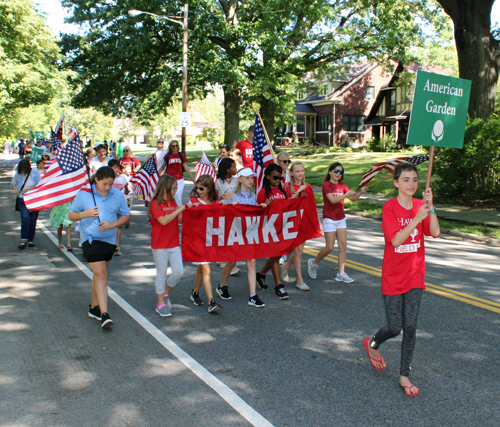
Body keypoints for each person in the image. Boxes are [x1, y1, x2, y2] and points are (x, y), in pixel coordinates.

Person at [363, 163, 440, 397]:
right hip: (394, 277)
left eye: (415, 179)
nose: (412, 184)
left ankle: (404, 376)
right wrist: (416, 219)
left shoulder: (421, 206)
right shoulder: (389, 208)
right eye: (406, 180)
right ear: (396, 183)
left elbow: (435, 233)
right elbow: (395, 241)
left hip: (415, 275)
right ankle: (373, 343)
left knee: (411, 328)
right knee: (395, 327)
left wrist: (431, 207)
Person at [69, 166, 130, 329]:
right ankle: (104, 314)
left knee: (99, 275)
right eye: (105, 184)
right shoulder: (84, 193)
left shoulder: (117, 194)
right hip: (90, 239)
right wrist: (84, 214)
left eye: (110, 184)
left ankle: (94, 308)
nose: (108, 188)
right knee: (101, 274)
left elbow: (125, 214)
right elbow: (71, 214)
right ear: (96, 179)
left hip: (109, 241)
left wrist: (113, 224)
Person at [307, 162, 367, 283]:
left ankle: (341, 273)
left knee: (343, 245)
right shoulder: (326, 185)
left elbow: (352, 198)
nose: (338, 174)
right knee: (329, 247)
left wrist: (360, 192)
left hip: (341, 219)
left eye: (341, 172)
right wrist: (345, 195)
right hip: (329, 219)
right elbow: (333, 200)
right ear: (329, 171)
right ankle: (313, 263)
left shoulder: (343, 185)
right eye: (336, 171)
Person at [218, 167, 268, 307]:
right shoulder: (231, 194)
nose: (250, 180)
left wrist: (261, 206)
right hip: (235, 233)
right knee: (232, 262)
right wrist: (229, 204)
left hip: (248, 233)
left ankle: (252, 296)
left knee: (251, 262)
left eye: (252, 178)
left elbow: (253, 210)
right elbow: (221, 209)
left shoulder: (253, 195)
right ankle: (222, 285)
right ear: (239, 179)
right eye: (247, 178)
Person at [281, 161, 323, 291]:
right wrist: (296, 194)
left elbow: (312, 207)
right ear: (291, 173)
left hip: (303, 222)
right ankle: (299, 280)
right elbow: (284, 206)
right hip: (291, 223)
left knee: (299, 251)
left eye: (302, 171)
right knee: (298, 251)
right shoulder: (286, 187)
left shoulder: (308, 187)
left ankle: (287, 267)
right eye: (297, 171)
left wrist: (318, 223)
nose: (300, 174)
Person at [150, 175, 186, 317]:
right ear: (165, 188)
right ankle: (160, 304)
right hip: (159, 244)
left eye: (176, 187)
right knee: (161, 273)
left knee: (179, 272)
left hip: (173, 243)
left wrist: (185, 210)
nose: (176, 190)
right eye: (174, 188)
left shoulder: (173, 201)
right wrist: (178, 210)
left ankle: (164, 292)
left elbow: (177, 220)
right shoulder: (155, 203)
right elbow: (163, 221)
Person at [188, 175, 221, 313]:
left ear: (209, 189)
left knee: (201, 270)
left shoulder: (215, 202)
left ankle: (194, 292)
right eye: (197, 187)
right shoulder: (193, 201)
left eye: (201, 188)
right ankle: (211, 301)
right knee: (206, 269)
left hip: (210, 241)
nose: (198, 190)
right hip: (197, 241)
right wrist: (190, 208)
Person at [255, 164, 289, 300]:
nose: (278, 180)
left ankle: (261, 274)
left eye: (280, 177)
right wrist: (265, 205)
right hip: (269, 229)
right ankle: (279, 285)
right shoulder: (263, 192)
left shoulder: (283, 191)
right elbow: (257, 212)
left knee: (276, 255)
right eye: (275, 177)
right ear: (268, 177)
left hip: (282, 228)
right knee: (275, 256)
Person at [215, 157, 240, 274]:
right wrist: (221, 198)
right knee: (224, 235)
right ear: (227, 169)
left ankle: (231, 260)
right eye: (233, 167)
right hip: (223, 211)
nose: (236, 169)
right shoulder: (218, 182)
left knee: (232, 235)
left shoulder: (237, 180)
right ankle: (222, 259)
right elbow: (214, 199)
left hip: (235, 211)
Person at [11, 158, 42, 249]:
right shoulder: (19, 173)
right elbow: (13, 182)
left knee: (33, 220)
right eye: (21, 170)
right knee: (25, 218)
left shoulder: (35, 171)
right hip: (22, 198)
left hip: (34, 198)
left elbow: (39, 184)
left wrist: (29, 190)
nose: (23, 171)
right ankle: (23, 240)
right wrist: (15, 189)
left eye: (24, 169)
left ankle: (30, 239)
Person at [158, 140, 195, 206]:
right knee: (170, 197)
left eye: (176, 145)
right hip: (170, 180)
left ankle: (178, 213)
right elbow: (163, 167)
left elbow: (186, 168)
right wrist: (156, 175)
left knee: (178, 197)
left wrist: (193, 179)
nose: (175, 147)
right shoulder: (167, 156)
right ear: (170, 147)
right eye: (173, 146)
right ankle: (170, 212)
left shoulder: (181, 155)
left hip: (179, 180)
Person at [109, 159, 130, 255]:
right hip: (110, 205)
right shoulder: (108, 179)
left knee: (118, 227)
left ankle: (117, 246)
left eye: (117, 168)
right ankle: (109, 244)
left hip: (120, 205)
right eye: (114, 168)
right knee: (110, 226)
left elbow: (126, 192)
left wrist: (126, 188)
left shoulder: (122, 179)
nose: (116, 170)